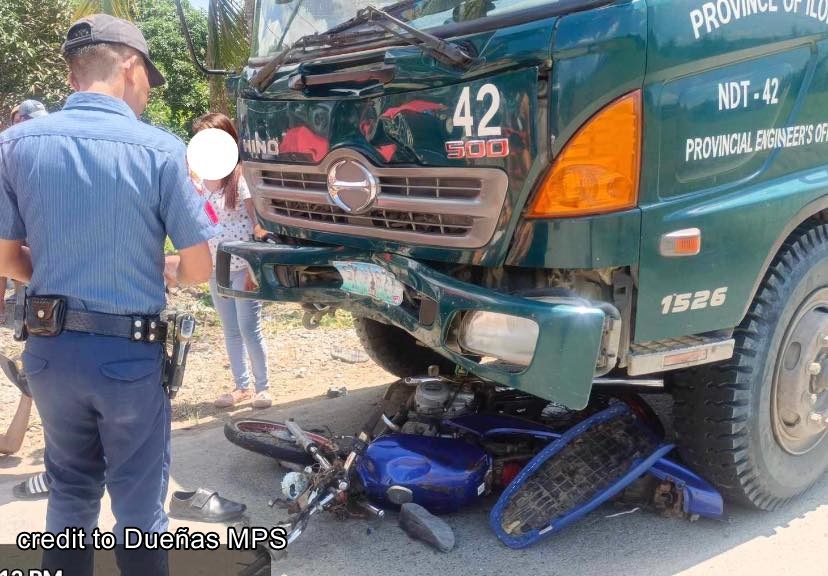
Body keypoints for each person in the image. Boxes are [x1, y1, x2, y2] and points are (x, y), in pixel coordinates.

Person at [0, 13, 216, 576]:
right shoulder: (161, 150)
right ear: (129, 67)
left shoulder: (14, 145)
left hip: (50, 354)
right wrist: (164, 267)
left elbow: (5, 259)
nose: (146, 93)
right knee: (140, 511)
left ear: (74, 76)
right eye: (148, 79)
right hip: (128, 359)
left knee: (69, 495)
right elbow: (199, 267)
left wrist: (56, 270)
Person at [191, 113, 272, 409]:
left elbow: (258, 226)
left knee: (250, 328)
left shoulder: (240, 181)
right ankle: (241, 387)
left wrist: (256, 267)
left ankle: (263, 388)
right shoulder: (200, 184)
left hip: (242, 267)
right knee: (231, 330)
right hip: (216, 268)